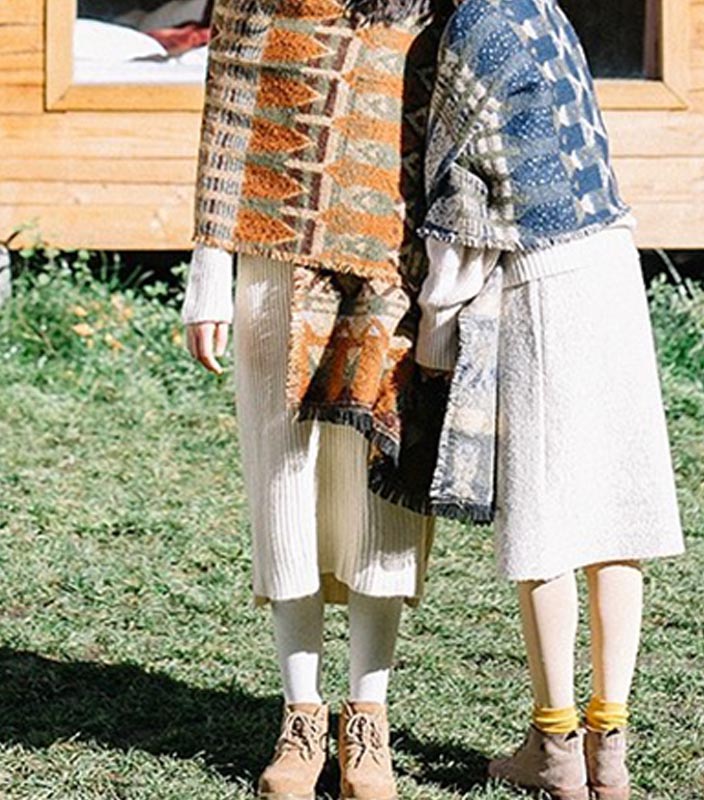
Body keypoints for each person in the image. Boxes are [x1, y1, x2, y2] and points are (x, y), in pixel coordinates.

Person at [415, 0, 686, 798]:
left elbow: (462, 204)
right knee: (616, 517)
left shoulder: (470, 29)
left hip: (542, 280)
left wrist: (435, 329)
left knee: (545, 522)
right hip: (613, 263)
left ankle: (556, 747)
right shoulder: (548, 12)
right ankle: (611, 751)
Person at [180, 0, 447, 798]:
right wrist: (206, 271)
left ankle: (368, 715)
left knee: (379, 500)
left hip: (392, 266)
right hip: (273, 254)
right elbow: (227, 112)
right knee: (283, 487)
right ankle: (301, 715)